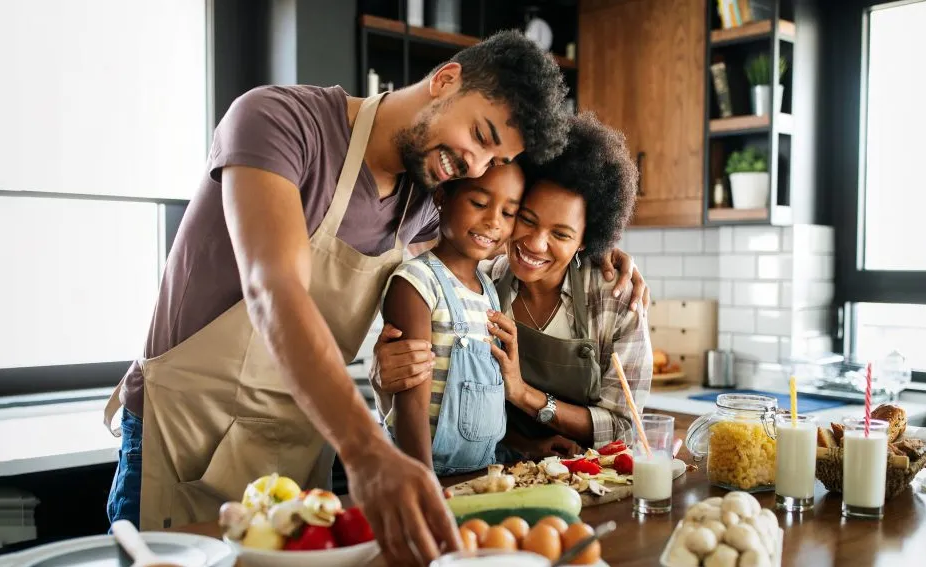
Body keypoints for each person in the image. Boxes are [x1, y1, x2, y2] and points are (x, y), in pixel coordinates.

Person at [101, 29, 644, 566]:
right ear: (447, 79)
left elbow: (502, 251)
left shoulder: (425, 200)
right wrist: (367, 452)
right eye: (480, 135)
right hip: (186, 436)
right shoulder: (280, 123)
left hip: (297, 446)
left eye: (491, 160)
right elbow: (275, 289)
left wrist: (599, 253)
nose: (475, 165)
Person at [373, 113, 653, 462]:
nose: (535, 244)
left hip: (591, 476)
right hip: (499, 472)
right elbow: (427, 393)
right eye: (526, 218)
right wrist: (385, 369)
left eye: (561, 234)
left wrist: (524, 394)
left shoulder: (615, 300)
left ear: (587, 241)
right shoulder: (484, 280)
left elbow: (624, 425)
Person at [383, 164, 523, 476]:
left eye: (508, 213)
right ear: (442, 196)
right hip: (422, 473)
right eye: (479, 204)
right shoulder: (417, 282)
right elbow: (412, 404)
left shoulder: (489, 291)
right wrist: (424, 484)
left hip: (481, 473)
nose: (492, 222)